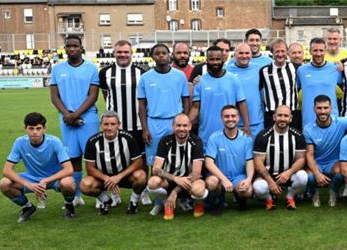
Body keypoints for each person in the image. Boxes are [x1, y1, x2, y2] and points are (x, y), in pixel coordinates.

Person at [98, 40, 151, 206]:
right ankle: (113, 194)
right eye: (119, 52)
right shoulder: (105, 72)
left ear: (131, 53)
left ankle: (143, 191)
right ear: (114, 53)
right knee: (112, 160)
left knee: (141, 160)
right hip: (114, 127)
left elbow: (145, 99)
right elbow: (106, 96)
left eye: (126, 52)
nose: (122, 55)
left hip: (137, 125)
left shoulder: (142, 72)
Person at [49, 35, 99, 206]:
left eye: (75, 46)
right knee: (73, 158)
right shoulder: (57, 69)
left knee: (93, 158)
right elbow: (54, 97)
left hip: (88, 118)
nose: (71, 49)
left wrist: (75, 114)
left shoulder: (91, 68)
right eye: (68, 46)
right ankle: (77, 196)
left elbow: (93, 96)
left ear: (81, 47)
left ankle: (100, 196)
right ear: (65, 48)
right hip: (66, 119)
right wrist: (67, 115)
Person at [0, 112, 77, 223]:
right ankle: (27, 207)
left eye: (38, 128)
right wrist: (28, 184)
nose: (35, 132)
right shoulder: (20, 142)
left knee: (68, 183)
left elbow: (69, 169)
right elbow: (6, 170)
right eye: (31, 128)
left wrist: (46, 180)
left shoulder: (54, 142)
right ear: (25, 129)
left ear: (44, 129)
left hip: (53, 178)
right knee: (4, 183)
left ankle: (69, 205)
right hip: (31, 178)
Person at [138, 43, 191, 174]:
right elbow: (142, 105)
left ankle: (176, 190)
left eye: (164, 53)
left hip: (175, 121)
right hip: (154, 123)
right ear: (152, 57)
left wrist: (185, 120)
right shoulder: (145, 78)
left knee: (177, 158)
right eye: (157, 53)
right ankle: (156, 191)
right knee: (155, 161)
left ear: (169, 56)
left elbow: (186, 100)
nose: (161, 56)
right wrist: (145, 129)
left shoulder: (179, 76)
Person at [80, 111, 146, 215]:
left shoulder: (128, 138)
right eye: (106, 124)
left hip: (124, 176)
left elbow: (138, 162)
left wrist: (119, 177)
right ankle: (106, 201)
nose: (109, 128)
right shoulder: (93, 141)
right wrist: (106, 178)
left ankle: (133, 202)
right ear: (101, 125)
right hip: (103, 179)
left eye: (113, 124)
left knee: (141, 176)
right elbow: (89, 168)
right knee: (85, 185)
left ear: (118, 125)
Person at [147, 114, 208, 220]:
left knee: (198, 190)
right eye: (178, 125)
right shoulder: (165, 141)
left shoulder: (196, 142)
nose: (181, 129)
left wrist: (175, 191)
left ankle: (198, 203)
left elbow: (196, 174)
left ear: (190, 126)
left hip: (191, 181)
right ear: (173, 126)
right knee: (152, 182)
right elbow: (156, 169)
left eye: (185, 126)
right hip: (171, 179)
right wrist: (176, 179)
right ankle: (167, 203)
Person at [252, 105, 309, 210]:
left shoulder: (298, 136)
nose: (282, 118)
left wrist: (289, 172)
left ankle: (290, 197)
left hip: (288, 175)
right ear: (274, 117)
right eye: (280, 115)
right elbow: (258, 162)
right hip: (268, 175)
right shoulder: (263, 135)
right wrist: (270, 182)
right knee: (259, 188)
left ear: (291, 118)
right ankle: (269, 199)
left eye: (286, 116)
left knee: (303, 177)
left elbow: (301, 159)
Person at [188, 46, 250, 140]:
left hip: (229, 132)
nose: (215, 62)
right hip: (206, 134)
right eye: (212, 59)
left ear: (223, 59)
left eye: (218, 59)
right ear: (206, 60)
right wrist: (185, 124)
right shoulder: (200, 81)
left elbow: (242, 103)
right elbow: (196, 107)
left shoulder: (233, 79)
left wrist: (246, 125)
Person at [203, 105, 256, 214]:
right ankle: (217, 202)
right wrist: (224, 179)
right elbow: (208, 163)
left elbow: (250, 162)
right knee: (211, 182)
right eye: (226, 116)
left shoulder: (246, 139)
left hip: (238, 176)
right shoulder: (214, 137)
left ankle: (240, 198)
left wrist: (248, 179)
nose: (230, 119)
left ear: (238, 118)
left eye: (233, 116)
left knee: (248, 190)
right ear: (222, 118)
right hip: (219, 177)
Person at [303, 95, 347, 207]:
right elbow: (309, 155)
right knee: (309, 177)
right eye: (319, 108)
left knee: (341, 172)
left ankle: (334, 192)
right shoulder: (308, 129)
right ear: (314, 109)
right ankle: (314, 194)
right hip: (317, 162)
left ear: (331, 108)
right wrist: (317, 173)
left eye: (325, 108)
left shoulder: (342, 122)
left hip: (334, 163)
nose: (322, 111)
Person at [297, 38, 343, 125]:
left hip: (331, 120)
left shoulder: (335, 68)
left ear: (325, 51)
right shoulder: (301, 70)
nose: (318, 54)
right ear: (310, 51)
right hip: (309, 121)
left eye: (321, 50)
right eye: (315, 50)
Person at [226, 43, 266, 136]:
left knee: (256, 149)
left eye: (247, 53)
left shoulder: (259, 69)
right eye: (241, 53)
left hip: (257, 121)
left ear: (251, 55)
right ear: (234, 55)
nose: (244, 56)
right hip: (233, 122)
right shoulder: (226, 70)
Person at [261, 39, 302, 129]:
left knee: (293, 141)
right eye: (277, 51)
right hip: (272, 114)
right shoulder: (264, 71)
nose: (280, 54)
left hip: (292, 113)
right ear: (272, 53)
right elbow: (260, 89)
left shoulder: (295, 67)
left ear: (287, 52)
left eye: (283, 51)